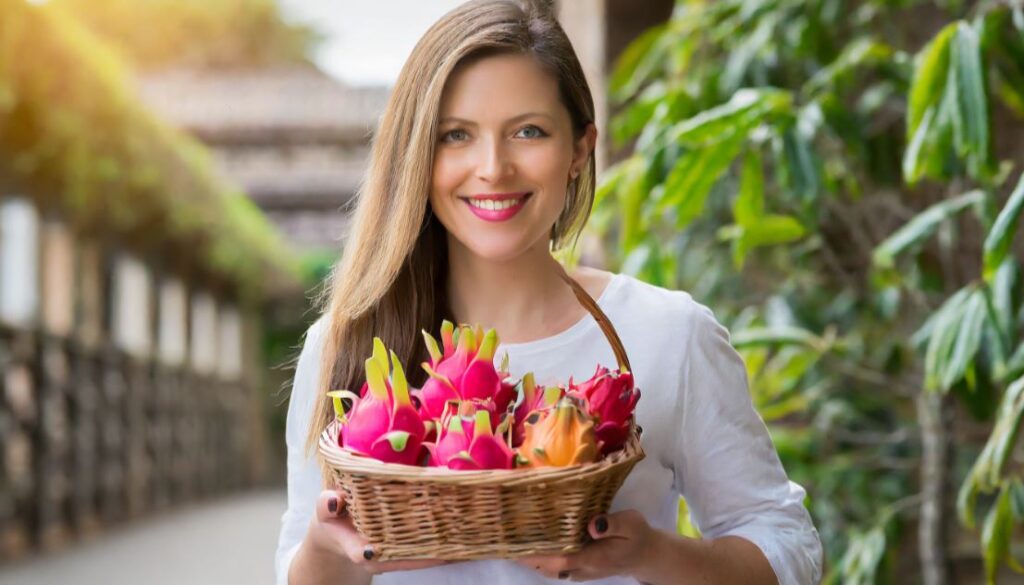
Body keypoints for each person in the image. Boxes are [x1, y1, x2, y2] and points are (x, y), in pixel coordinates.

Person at [275, 1, 823, 583]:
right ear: (417, 156)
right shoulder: (345, 344)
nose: (493, 168)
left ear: (580, 149)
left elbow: (789, 547)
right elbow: (296, 567)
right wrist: (328, 553)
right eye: (456, 135)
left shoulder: (667, 334)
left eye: (528, 131)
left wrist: (650, 553)